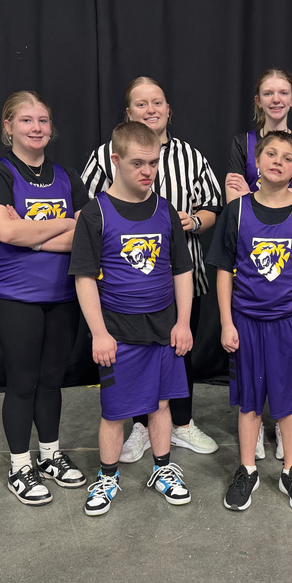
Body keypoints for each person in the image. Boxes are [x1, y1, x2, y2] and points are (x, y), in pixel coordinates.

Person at [81, 77, 223, 463]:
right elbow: (88, 213)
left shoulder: (191, 157)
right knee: (129, 371)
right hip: (123, 289)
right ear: (129, 113)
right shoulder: (103, 158)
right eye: (141, 104)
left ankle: (181, 424)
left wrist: (188, 222)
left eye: (157, 102)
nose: (151, 110)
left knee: (177, 354)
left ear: (168, 109)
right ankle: (139, 430)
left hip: (175, 280)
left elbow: (213, 207)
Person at [207, 131, 292, 512]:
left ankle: (291, 470)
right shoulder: (237, 210)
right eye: (271, 154)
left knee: (289, 399)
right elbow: (223, 272)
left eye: (288, 158)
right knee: (249, 400)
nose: (278, 161)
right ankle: (247, 468)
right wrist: (226, 322)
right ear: (257, 161)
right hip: (246, 321)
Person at [71, 121, 195, 516]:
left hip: (163, 327)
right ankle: (107, 477)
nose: (147, 171)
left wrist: (184, 322)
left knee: (160, 405)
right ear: (116, 160)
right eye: (138, 163)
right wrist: (99, 334)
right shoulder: (96, 213)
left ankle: (161, 469)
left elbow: (182, 270)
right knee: (115, 412)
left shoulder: (164, 211)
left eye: (154, 163)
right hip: (118, 331)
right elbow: (85, 278)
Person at [0, 91, 88, 505]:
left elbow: (85, 235)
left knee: (51, 380)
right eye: (26, 120)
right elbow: (5, 233)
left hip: (63, 295)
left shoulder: (68, 176)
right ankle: (20, 465)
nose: (36, 128)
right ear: (8, 127)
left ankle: (51, 455)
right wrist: (50, 228)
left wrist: (32, 236)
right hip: (17, 296)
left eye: (42, 120)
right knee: (23, 382)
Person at [225, 68, 292, 461]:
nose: (277, 98)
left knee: (286, 370)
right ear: (258, 100)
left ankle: (285, 428)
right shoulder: (241, 142)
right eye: (269, 92)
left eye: (284, 92)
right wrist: (264, 193)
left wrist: (260, 190)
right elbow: (234, 202)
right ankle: (255, 438)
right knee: (254, 377)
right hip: (250, 268)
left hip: (289, 271)